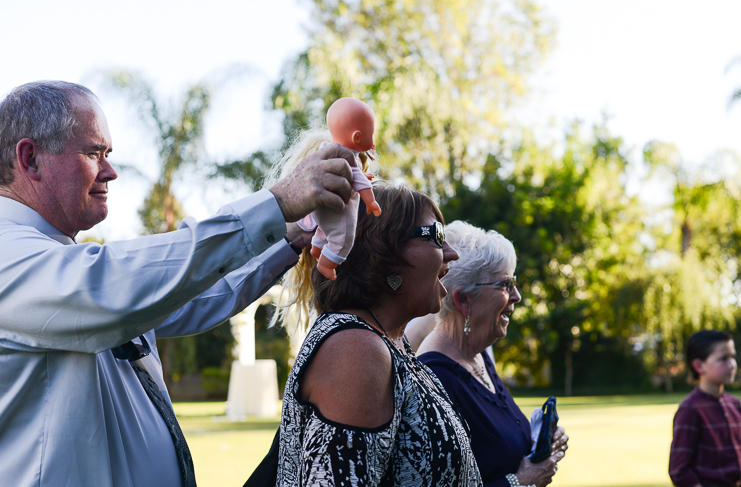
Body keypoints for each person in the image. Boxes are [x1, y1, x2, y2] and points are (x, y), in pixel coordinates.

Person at [0, 80, 358, 487]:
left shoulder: (59, 262)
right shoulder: (11, 255)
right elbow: (109, 285)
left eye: (109, 155)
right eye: (94, 153)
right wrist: (276, 204)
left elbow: (195, 297)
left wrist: (292, 235)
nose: (111, 171)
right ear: (30, 158)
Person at [273, 181, 483, 486]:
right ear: (384, 251)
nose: (452, 254)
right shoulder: (355, 350)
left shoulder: (390, 341)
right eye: (438, 236)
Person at [417, 221, 568, 487]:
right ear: (464, 301)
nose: (517, 296)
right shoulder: (433, 380)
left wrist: (541, 444)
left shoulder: (479, 354)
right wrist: (521, 481)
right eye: (506, 285)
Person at [669, 330, 741, 487]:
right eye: (723, 359)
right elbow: (679, 471)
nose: (732, 364)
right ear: (699, 366)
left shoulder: (735, 405)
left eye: (733, 357)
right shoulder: (690, 409)